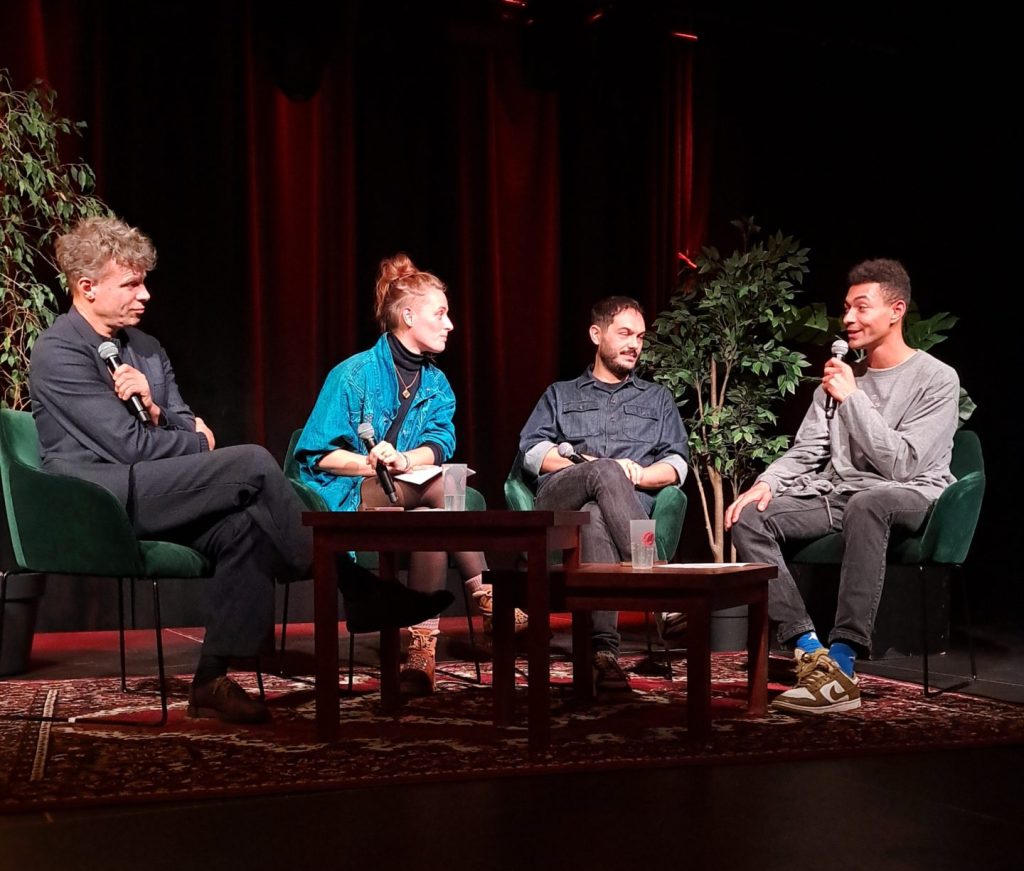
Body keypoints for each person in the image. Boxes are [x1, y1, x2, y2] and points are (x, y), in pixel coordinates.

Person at [29, 216, 444, 724]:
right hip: (97, 500)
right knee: (250, 462)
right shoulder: (58, 351)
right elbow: (133, 446)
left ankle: (211, 680)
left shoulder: (148, 350)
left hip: (156, 488)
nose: (145, 295)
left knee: (245, 527)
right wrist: (190, 437)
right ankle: (353, 585)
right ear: (87, 287)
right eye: (131, 284)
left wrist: (158, 412)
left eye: (144, 282)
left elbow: (180, 420)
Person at [725, 258, 960, 714]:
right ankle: (810, 651)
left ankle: (845, 660)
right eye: (846, 308)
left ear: (896, 310)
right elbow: (806, 451)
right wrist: (765, 483)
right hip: (839, 494)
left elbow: (902, 465)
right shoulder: (835, 383)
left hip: (911, 494)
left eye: (861, 307)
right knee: (749, 517)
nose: (848, 318)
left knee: (870, 503)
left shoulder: (936, 379)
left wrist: (853, 398)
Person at [295, 252, 526, 695]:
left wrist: (405, 460)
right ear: (407, 316)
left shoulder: (437, 384)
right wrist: (371, 462)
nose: (450, 324)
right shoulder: (354, 374)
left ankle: (421, 656)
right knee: (444, 486)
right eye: (440, 314)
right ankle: (487, 594)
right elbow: (317, 455)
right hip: (350, 494)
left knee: (433, 515)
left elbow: (440, 443)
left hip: (409, 493)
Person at [518, 296, 690, 698]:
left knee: (595, 515)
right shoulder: (560, 394)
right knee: (603, 473)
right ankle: (660, 590)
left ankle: (603, 654)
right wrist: (597, 467)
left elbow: (677, 465)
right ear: (597, 335)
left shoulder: (657, 399)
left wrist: (641, 474)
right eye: (625, 334)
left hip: (624, 507)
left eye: (640, 337)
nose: (634, 345)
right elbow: (532, 453)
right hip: (560, 500)